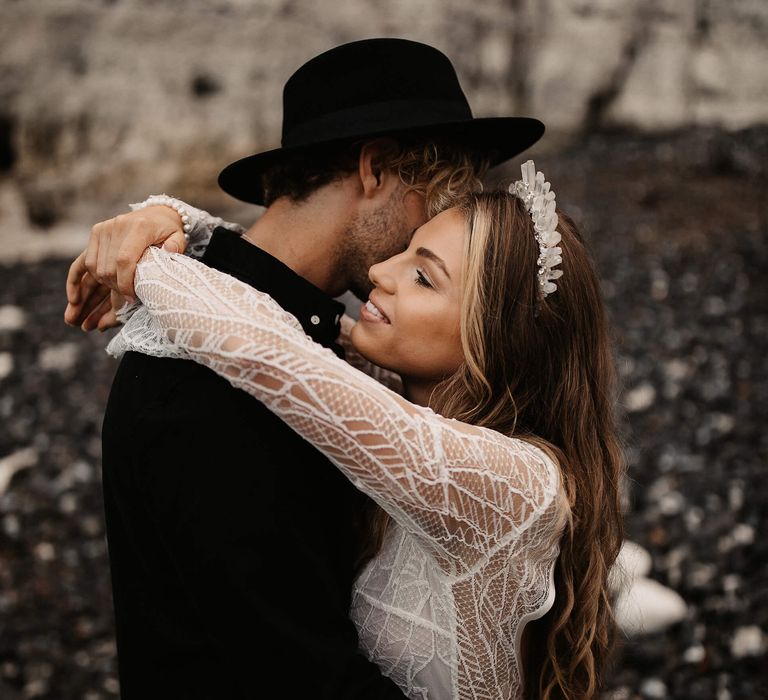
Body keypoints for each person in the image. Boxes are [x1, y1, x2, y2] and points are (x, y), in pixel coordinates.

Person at [64, 39, 547, 699]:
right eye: (433, 202)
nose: (410, 251)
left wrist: (170, 217)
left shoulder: (298, 340)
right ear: (375, 168)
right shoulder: (207, 386)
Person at [79, 163, 624, 699]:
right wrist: (176, 220)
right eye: (408, 250)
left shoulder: (517, 485)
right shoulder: (397, 397)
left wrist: (140, 260)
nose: (383, 271)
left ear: (495, 339)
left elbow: (265, 352)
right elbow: (285, 317)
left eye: (423, 277)